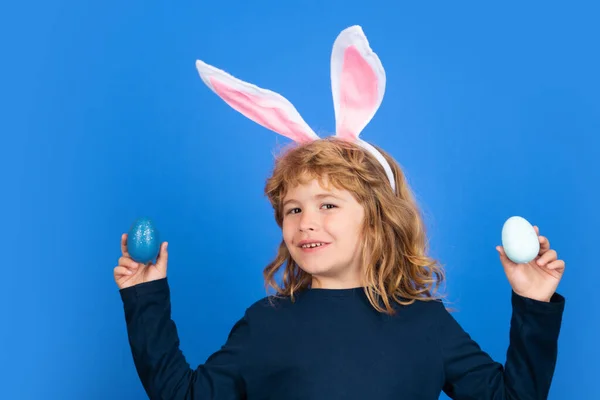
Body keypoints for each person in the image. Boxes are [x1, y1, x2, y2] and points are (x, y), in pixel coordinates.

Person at [115, 26, 566, 399]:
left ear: (377, 220)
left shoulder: (425, 323)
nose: (305, 221)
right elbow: (184, 395)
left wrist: (533, 303)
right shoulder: (266, 322)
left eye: (328, 205)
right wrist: (146, 297)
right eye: (293, 209)